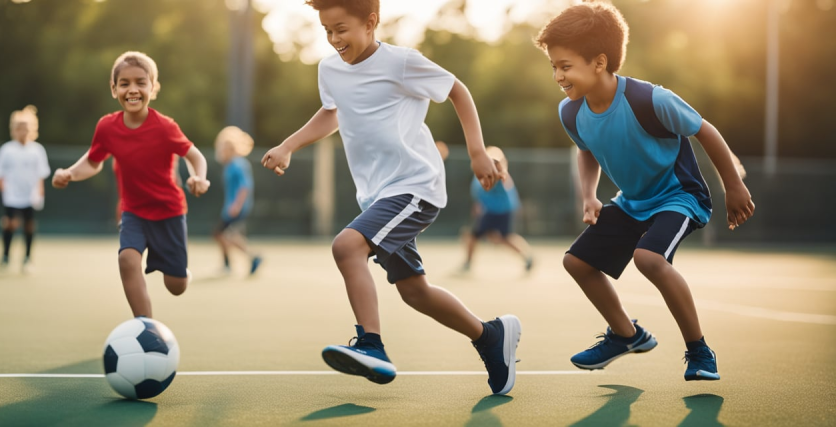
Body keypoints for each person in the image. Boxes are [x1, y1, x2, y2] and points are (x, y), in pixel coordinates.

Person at [262, 0, 522, 395]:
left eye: (341, 29)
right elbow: (332, 112)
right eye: (327, 30)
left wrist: (477, 152)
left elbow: (457, 90)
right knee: (414, 291)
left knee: (346, 246)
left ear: (370, 22)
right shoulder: (329, 68)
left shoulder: (401, 63)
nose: (334, 39)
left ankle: (372, 346)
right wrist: (288, 145)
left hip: (415, 187)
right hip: (377, 197)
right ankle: (489, 336)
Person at [534, 2, 755, 381]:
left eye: (565, 66)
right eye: (553, 66)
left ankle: (700, 351)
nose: (557, 75)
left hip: (679, 196)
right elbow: (586, 151)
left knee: (649, 259)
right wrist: (589, 195)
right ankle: (627, 335)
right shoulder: (571, 112)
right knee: (577, 262)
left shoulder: (650, 99)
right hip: (633, 202)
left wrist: (733, 185)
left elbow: (706, 131)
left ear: (599, 63)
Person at [51, 51, 210, 318]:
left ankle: (180, 272)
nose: (132, 89)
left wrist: (200, 177)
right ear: (114, 89)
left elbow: (194, 155)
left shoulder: (165, 127)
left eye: (140, 82)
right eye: (124, 83)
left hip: (169, 212)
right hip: (133, 211)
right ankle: (144, 326)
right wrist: (69, 173)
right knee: (127, 260)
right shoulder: (107, 127)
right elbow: (93, 161)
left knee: (176, 286)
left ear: (153, 88)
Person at [0, 105, 50, 273]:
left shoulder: (38, 150)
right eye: (19, 127)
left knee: (29, 225)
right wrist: (6, 193)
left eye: (26, 127)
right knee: (9, 224)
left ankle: (27, 259)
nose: (23, 131)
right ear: (14, 129)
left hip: (30, 197)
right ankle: (5, 256)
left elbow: (41, 176)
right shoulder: (7, 149)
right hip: (12, 197)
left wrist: (39, 195)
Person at [462, 146, 534, 273]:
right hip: (489, 211)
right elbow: (480, 192)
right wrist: (478, 205)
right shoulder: (480, 171)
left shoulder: (499, 174)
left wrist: (498, 166)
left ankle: (527, 257)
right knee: (479, 236)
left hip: (500, 211)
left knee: (497, 237)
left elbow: (501, 171)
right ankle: (468, 263)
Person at [213, 126, 263, 276]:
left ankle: (252, 257)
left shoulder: (239, 164)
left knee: (225, 234)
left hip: (237, 208)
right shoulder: (229, 165)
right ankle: (229, 264)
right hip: (230, 207)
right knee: (221, 234)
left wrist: (236, 205)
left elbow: (244, 187)